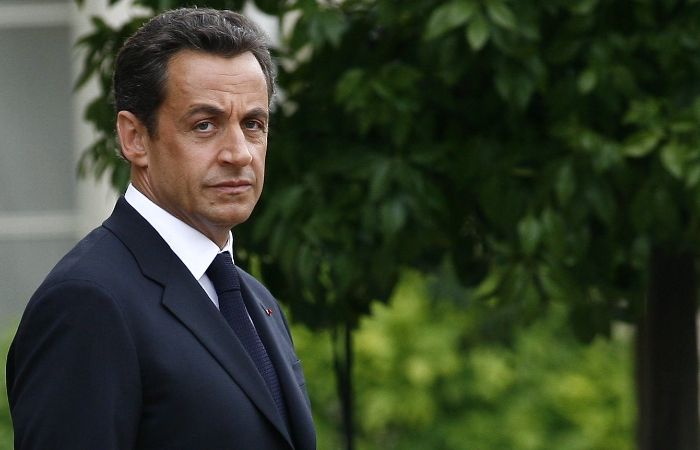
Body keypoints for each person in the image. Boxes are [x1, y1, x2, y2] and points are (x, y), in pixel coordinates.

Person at [6, 8, 316, 450]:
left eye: (253, 124)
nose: (239, 153)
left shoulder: (255, 299)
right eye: (204, 125)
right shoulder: (87, 302)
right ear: (134, 138)